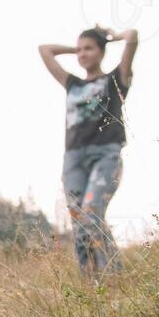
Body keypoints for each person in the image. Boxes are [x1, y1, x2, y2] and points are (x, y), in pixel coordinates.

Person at [38, 26, 139, 278]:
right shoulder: (72, 84)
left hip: (106, 154)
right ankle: (91, 284)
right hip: (73, 159)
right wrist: (76, 49)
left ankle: (115, 277)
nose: (82, 54)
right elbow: (44, 50)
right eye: (79, 49)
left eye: (89, 48)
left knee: (91, 213)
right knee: (79, 223)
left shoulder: (116, 79)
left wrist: (112, 38)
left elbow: (133, 37)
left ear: (102, 52)